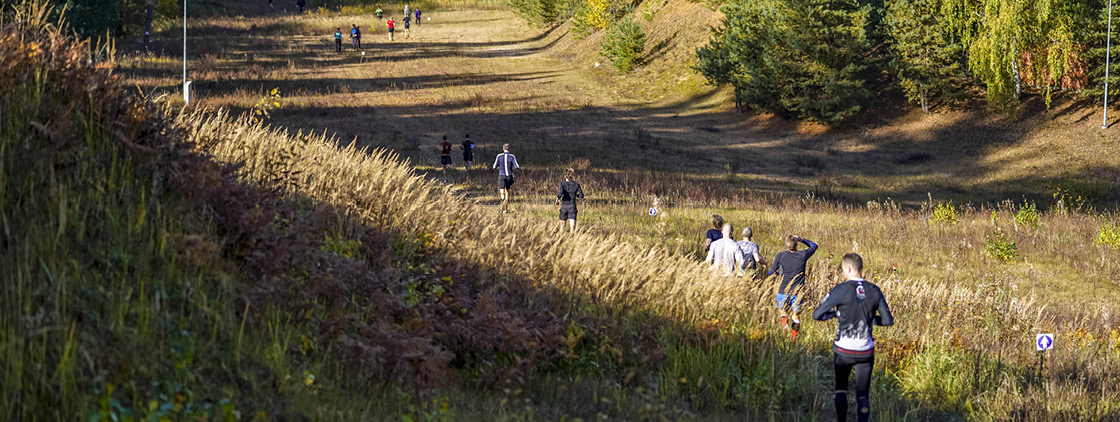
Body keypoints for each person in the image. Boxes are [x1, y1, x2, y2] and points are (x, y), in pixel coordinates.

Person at [813, 253, 894, 422]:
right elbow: (887, 321)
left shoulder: (840, 290)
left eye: (843, 269)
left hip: (843, 350)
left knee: (841, 389)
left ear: (848, 268)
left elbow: (817, 315)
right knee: (863, 395)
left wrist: (835, 314)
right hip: (865, 350)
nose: (843, 272)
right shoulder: (874, 290)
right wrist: (872, 319)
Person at [767, 235, 819, 341]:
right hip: (798, 292)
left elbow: (770, 273)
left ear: (786, 245)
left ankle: (785, 326)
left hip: (783, 290)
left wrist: (777, 273)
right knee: (796, 316)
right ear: (796, 245)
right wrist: (802, 239)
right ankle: (793, 339)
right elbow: (814, 246)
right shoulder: (802, 255)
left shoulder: (780, 256)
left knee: (782, 312)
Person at [493, 144, 520, 214]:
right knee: (507, 191)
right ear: (509, 149)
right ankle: (505, 207)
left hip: (501, 175)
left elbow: (494, 166)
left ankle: (503, 200)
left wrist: (499, 164)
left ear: (503, 149)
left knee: (502, 192)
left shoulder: (499, 156)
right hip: (509, 176)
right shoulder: (512, 156)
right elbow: (517, 166)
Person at [556, 168, 585, 232]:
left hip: (564, 206)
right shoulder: (576, 184)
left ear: (565, 176)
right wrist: (575, 195)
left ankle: (561, 239)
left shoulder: (562, 184)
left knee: (562, 227)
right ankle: (572, 239)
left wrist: (557, 199)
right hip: (572, 206)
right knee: (573, 227)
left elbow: (560, 194)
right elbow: (581, 196)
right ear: (572, 176)